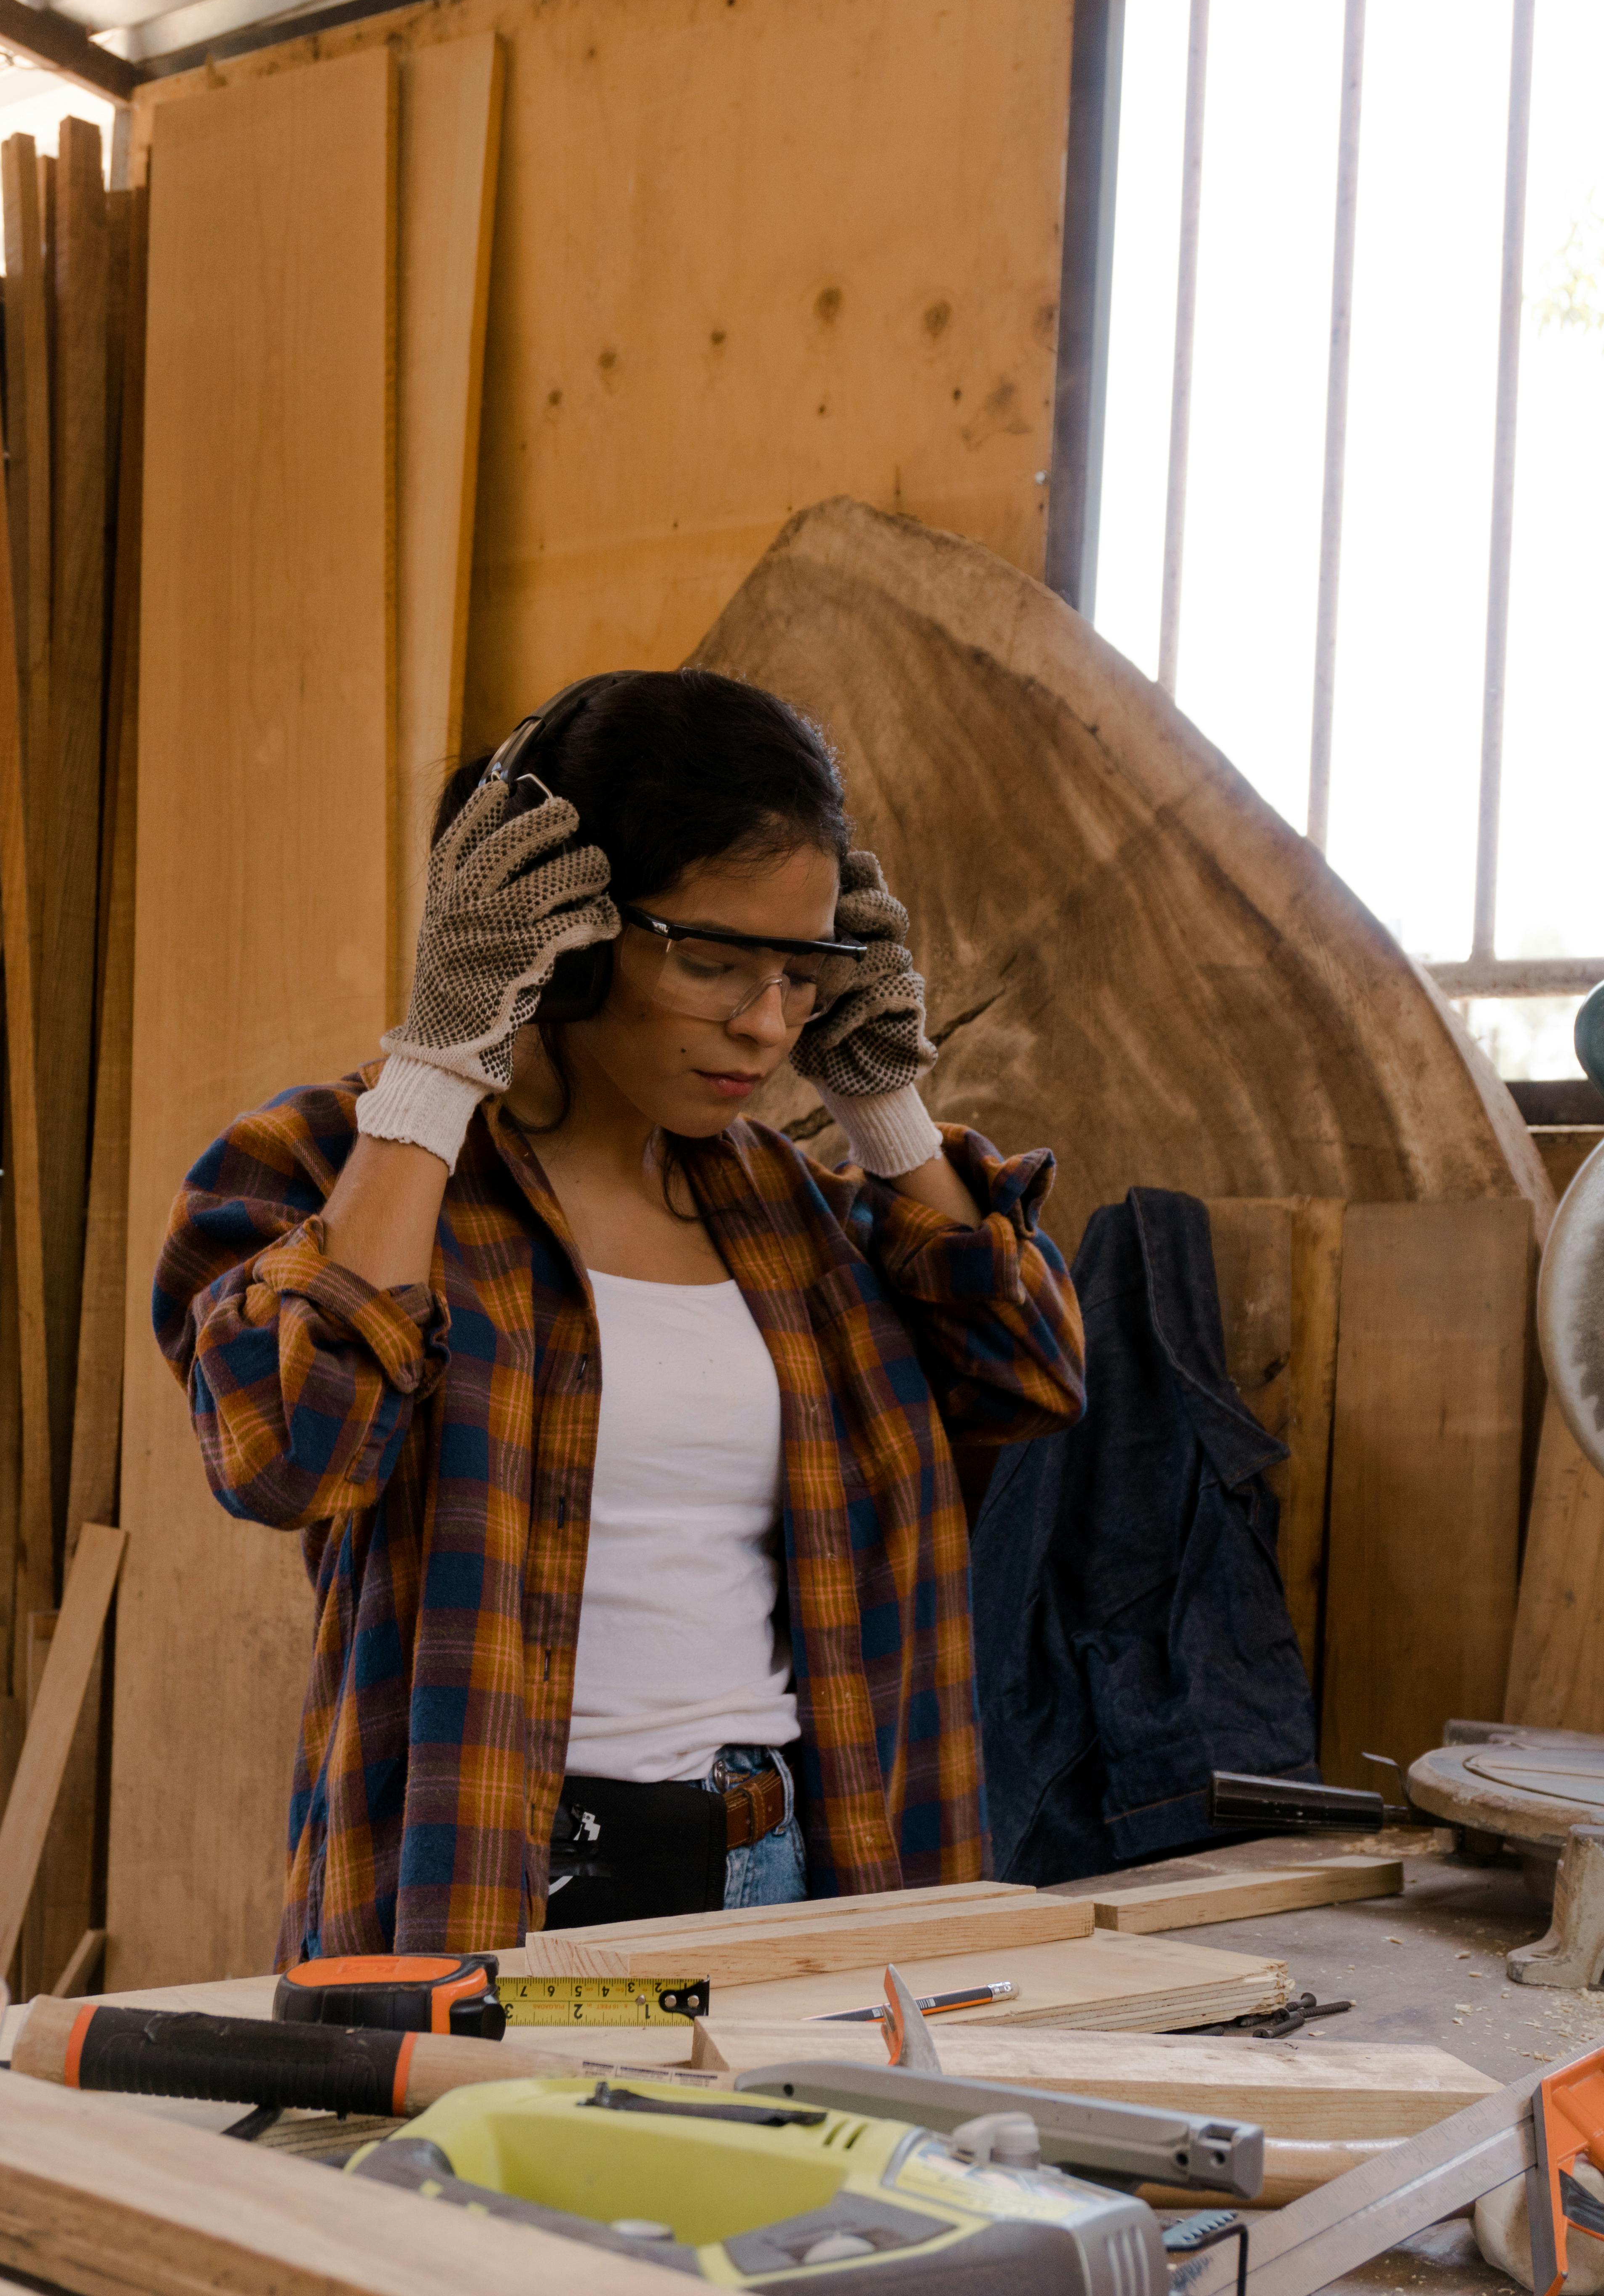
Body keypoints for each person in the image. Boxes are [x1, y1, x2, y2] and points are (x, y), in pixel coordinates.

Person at [156, 669, 1085, 1961]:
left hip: (799, 1871)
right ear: (575, 938)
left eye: (801, 972)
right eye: (711, 961)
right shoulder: (331, 1167)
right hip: (498, 1885)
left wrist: (885, 1109)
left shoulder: (796, 1213)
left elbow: (1029, 1379)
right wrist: (436, 1071)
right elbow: (285, 1453)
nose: (765, 1026)